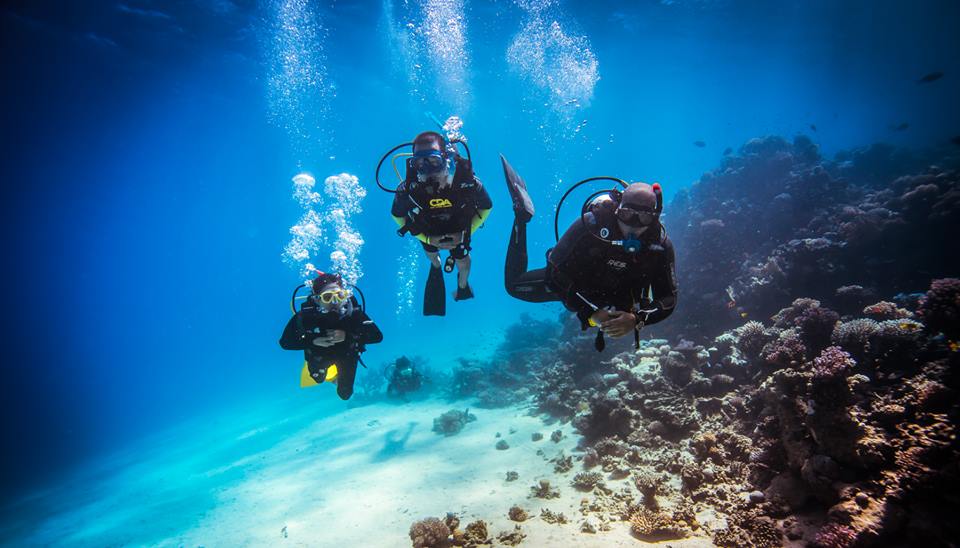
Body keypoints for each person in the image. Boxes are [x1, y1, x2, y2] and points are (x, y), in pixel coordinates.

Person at [501, 155, 677, 351]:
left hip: (621, 297)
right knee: (514, 286)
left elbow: (668, 299)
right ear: (618, 209)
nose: (633, 226)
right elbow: (555, 271)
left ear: (654, 218)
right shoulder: (592, 224)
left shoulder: (660, 247)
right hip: (578, 285)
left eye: (643, 218)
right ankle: (521, 216)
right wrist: (589, 313)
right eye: (627, 214)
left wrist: (637, 318)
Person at [390, 131, 493, 316]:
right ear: (413, 164)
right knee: (432, 255)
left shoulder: (467, 181)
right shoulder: (408, 188)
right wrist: (428, 239)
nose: (427, 168)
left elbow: (487, 207)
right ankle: (436, 265)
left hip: (460, 226)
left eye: (433, 160)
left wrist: (466, 234)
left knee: (463, 259)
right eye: (419, 163)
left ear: (446, 158)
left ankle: (462, 287)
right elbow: (397, 216)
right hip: (428, 229)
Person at [279, 271, 383, 400]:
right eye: (327, 297)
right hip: (319, 355)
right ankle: (330, 376)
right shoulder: (306, 316)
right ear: (317, 299)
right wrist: (313, 341)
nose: (335, 302)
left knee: (345, 394)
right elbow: (285, 343)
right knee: (318, 379)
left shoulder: (354, 313)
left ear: (345, 295)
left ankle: (334, 377)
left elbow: (377, 336)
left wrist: (347, 336)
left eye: (339, 295)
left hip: (347, 354)